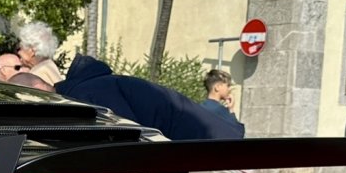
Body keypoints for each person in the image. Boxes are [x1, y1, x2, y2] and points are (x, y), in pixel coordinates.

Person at [55, 53, 245, 141]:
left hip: (206, 146)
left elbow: (128, 135)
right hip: (210, 141)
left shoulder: (85, 94)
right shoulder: (99, 84)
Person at [16, 22, 66, 86]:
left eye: (20, 48)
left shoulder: (35, 76)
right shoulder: (49, 66)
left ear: (32, 51)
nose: (18, 52)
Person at [201, 67, 244, 138]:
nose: (229, 89)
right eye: (227, 85)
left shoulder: (200, 107)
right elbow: (237, 134)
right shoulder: (220, 110)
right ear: (217, 87)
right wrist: (231, 109)